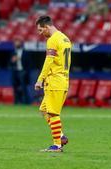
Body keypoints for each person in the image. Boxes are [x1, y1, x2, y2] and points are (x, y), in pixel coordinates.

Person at [35, 15, 71, 152]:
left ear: (47, 27)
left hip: (55, 81)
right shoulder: (65, 38)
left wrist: (40, 79)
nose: (40, 34)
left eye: (40, 30)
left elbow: (48, 61)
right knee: (44, 110)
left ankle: (57, 145)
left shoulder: (52, 40)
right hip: (62, 80)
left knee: (53, 114)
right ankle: (60, 136)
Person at [10, 36, 30, 104]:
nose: (16, 43)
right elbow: (9, 63)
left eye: (17, 42)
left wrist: (26, 72)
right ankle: (16, 101)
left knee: (23, 87)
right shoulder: (13, 52)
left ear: (20, 43)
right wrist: (12, 61)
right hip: (15, 71)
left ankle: (25, 102)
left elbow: (29, 63)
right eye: (15, 42)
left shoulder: (25, 52)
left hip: (22, 71)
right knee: (15, 87)